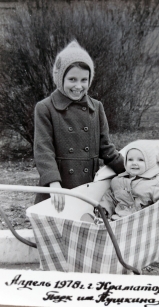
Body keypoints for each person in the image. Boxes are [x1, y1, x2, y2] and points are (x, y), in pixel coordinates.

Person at [34, 40, 124, 211]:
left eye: (84, 80)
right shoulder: (45, 108)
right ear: (60, 78)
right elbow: (43, 150)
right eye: (72, 79)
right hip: (58, 188)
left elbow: (107, 149)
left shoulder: (96, 107)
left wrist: (130, 167)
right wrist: (53, 183)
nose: (78, 86)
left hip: (87, 187)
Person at [96, 140, 159, 220]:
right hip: (118, 220)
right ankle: (99, 219)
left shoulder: (157, 182)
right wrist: (104, 210)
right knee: (102, 220)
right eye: (130, 159)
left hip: (143, 221)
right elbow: (110, 197)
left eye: (140, 160)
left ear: (149, 162)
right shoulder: (118, 181)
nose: (134, 163)